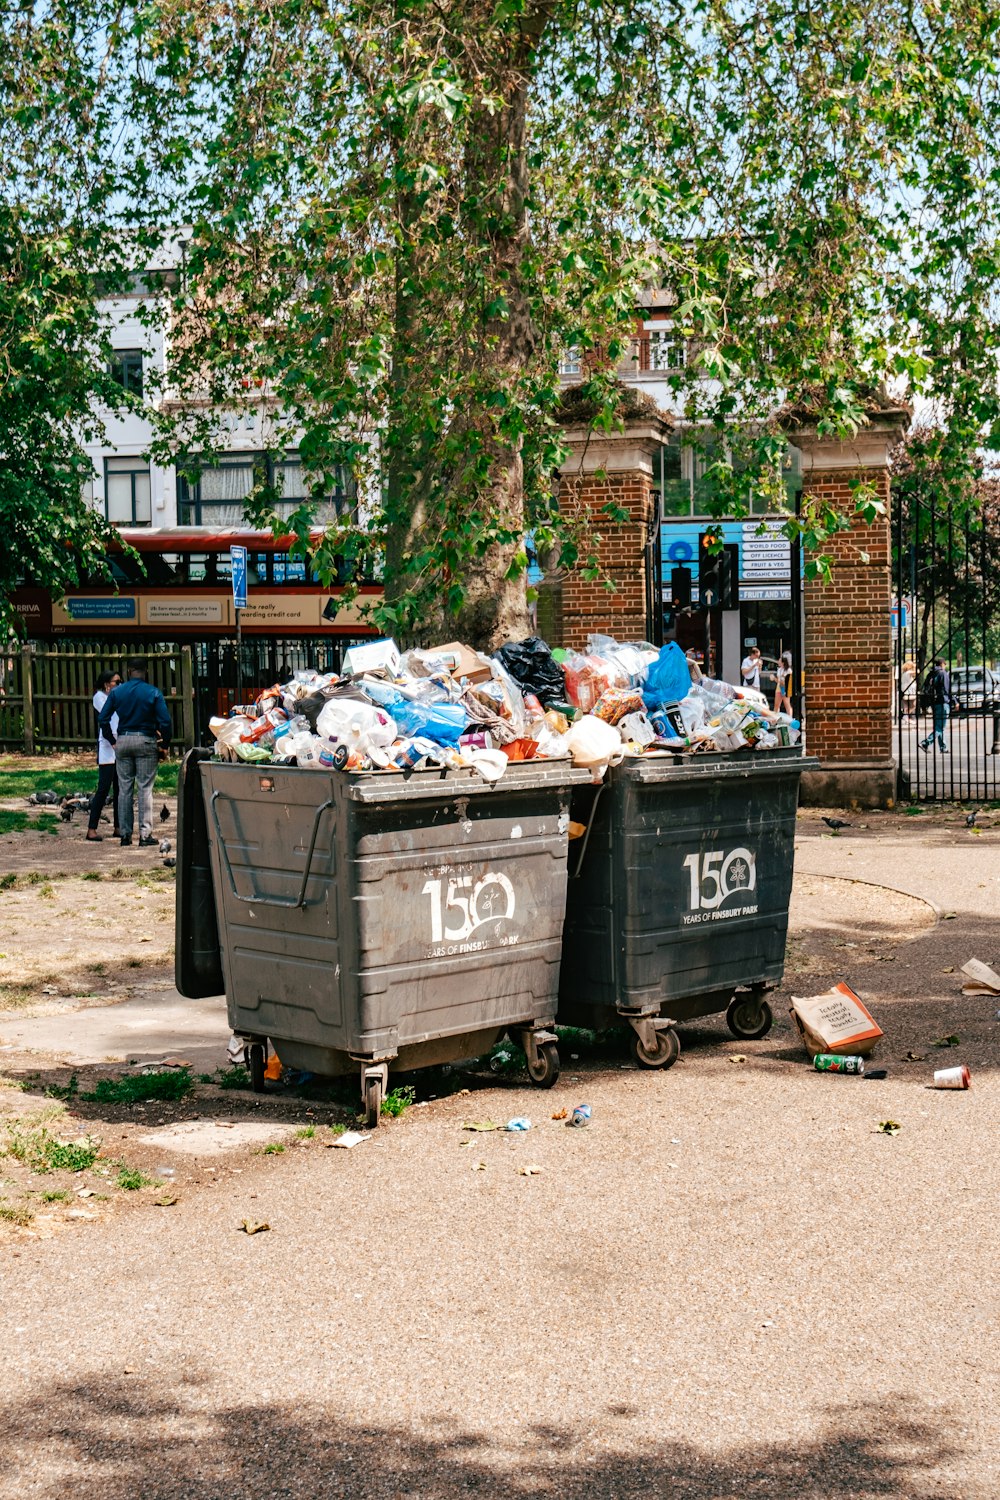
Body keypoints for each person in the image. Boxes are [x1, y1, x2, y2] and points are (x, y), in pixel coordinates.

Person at [99, 656, 172, 846]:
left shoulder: (117, 692)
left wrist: (112, 739)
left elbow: (103, 719)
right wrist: (164, 745)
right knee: (145, 788)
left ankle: (125, 834)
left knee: (124, 789)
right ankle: (145, 834)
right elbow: (165, 721)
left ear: (128, 671)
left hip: (123, 739)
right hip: (146, 740)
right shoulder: (153, 692)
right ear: (145, 671)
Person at [86, 669, 121, 842]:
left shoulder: (117, 697)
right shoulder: (99, 697)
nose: (119, 685)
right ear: (107, 684)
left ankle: (118, 826)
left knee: (120, 789)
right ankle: (92, 828)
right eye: (116, 682)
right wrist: (111, 740)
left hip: (120, 744)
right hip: (107, 747)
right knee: (103, 788)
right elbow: (106, 717)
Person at [919, 657, 953, 753]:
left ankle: (943, 747)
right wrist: (954, 701)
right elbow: (947, 690)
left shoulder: (931, 674)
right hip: (943, 702)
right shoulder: (943, 673)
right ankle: (925, 743)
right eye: (945, 664)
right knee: (940, 727)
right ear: (942, 664)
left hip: (934, 703)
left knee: (939, 726)